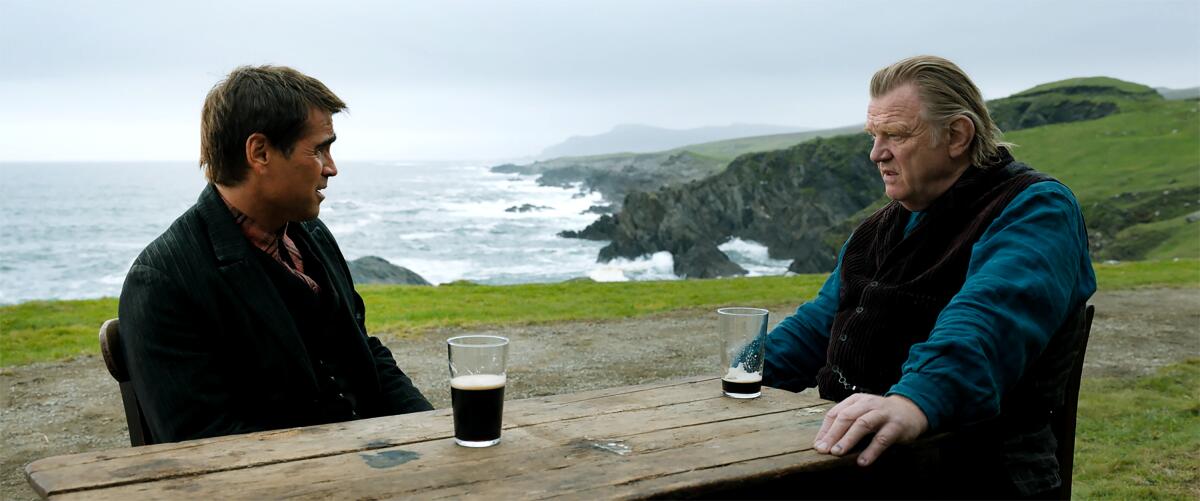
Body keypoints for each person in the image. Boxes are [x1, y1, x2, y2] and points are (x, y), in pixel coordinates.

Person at [762, 55, 1095, 497]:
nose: (876, 153)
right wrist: (742, 371)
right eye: (874, 135)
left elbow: (989, 320)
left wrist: (914, 400)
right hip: (865, 462)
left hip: (977, 471)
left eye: (896, 135)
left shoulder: (1036, 209)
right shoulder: (879, 227)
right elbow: (818, 326)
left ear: (957, 135)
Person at [118, 65, 433, 444]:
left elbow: (364, 354)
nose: (332, 168)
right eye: (319, 149)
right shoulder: (162, 283)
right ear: (260, 152)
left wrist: (433, 434)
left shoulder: (312, 235)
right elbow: (203, 447)